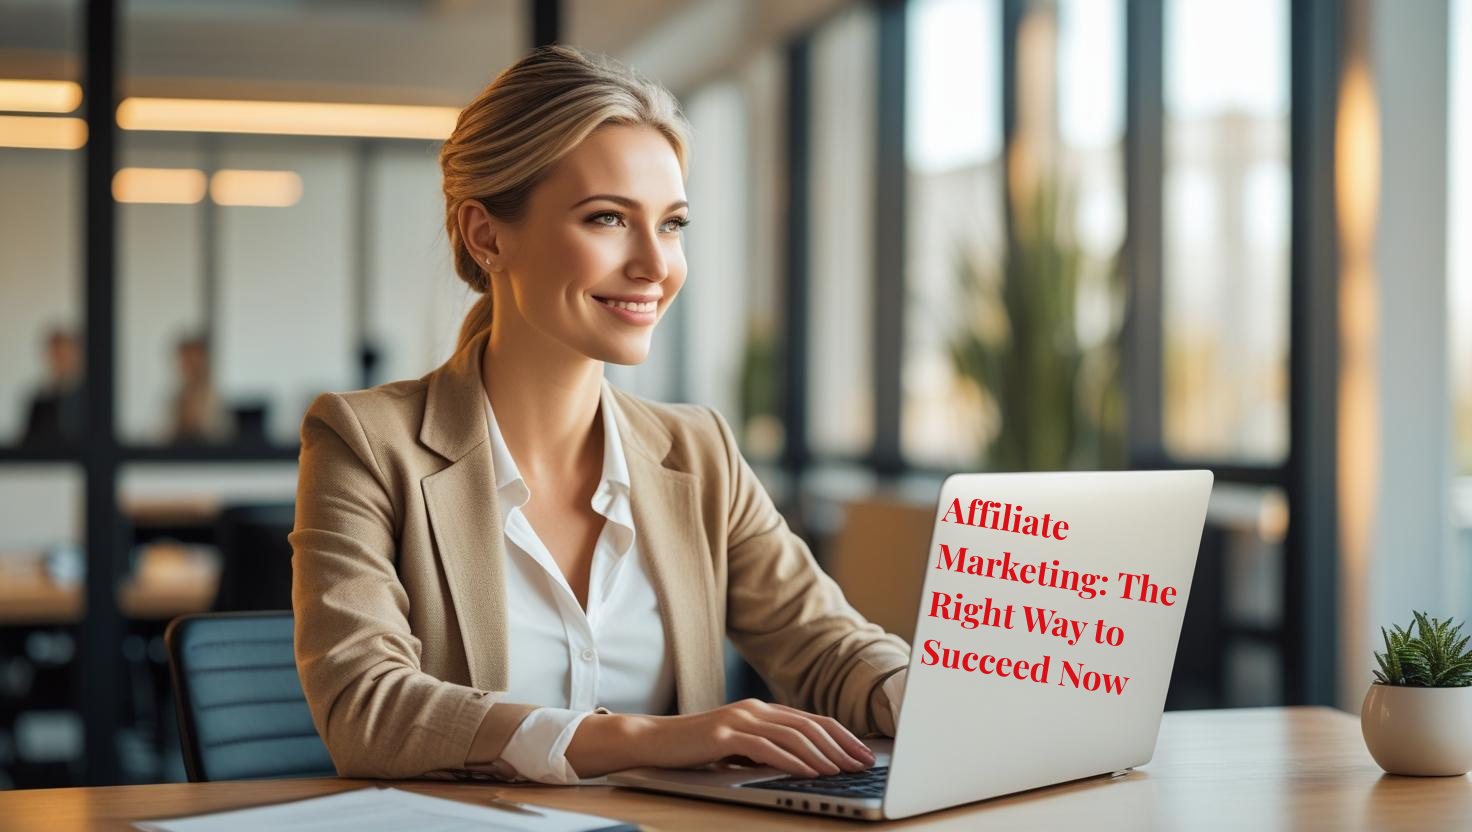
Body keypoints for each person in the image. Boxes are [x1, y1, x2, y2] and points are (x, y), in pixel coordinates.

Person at [290, 44, 910, 785]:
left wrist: (930, 697)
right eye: (609, 218)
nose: (656, 264)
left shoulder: (698, 451)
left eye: (673, 224)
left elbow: (828, 648)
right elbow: (369, 710)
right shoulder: (365, 443)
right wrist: (649, 738)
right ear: (486, 236)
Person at [22, 327, 83, 445]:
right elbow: (28, 444)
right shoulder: (40, 402)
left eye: (64, 354)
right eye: (55, 355)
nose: (59, 360)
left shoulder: (88, 400)